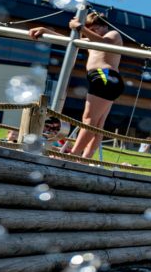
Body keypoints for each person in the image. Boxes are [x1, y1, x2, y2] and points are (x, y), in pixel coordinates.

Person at [29, 9, 127, 159]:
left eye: (94, 29)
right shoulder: (93, 39)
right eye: (90, 29)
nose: (91, 32)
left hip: (105, 76)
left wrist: (81, 27)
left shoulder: (112, 35)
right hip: (107, 80)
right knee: (98, 124)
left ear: (104, 26)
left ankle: (73, 155)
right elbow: (71, 42)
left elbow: (103, 43)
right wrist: (45, 30)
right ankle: (85, 158)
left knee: (88, 119)